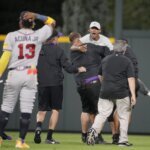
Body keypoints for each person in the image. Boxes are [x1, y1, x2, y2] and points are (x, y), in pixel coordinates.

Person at [0, 11, 56, 148]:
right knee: (26, 109)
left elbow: (5, 57)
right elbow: (52, 22)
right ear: (33, 23)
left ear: (20, 22)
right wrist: (36, 15)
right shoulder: (37, 35)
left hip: (14, 73)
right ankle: (21, 142)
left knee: (6, 107)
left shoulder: (11, 36)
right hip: (30, 73)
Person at [34, 30, 86, 144]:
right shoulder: (58, 50)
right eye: (57, 37)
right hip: (55, 84)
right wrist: (78, 69)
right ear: (53, 39)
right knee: (55, 110)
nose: (58, 39)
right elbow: (67, 67)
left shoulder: (38, 49)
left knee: (42, 109)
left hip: (42, 83)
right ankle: (49, 137)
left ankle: (38, 130)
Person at [86, 40, 136, 147]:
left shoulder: (105, 59)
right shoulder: (127, 61)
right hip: (121, 92)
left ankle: (93, 131)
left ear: (113, 48)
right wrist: (133, 95)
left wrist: (105, 84)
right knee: (123, 116)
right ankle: (122, 141)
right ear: (124, 49)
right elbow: (131, 79)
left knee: (102, 114)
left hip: (105, 91)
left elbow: (100, 76)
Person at [69, 32, 110, 144]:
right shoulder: (90, 46)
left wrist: (74, 46)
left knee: (86, 110)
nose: (79, 42)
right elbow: (107, 51)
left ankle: (84, 135)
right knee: (97, 111)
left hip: (81, 85)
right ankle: (96, 136)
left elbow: (74, 47)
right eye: (77, 40)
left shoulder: (72, 52)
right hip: (92, 82)